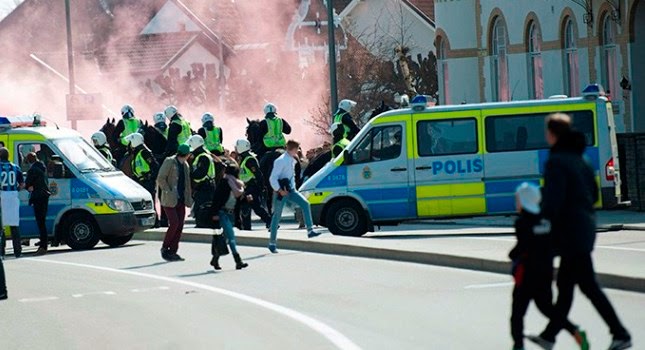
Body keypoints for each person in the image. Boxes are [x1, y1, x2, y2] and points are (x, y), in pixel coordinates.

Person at [527, 113, 632, 350]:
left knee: (588, 286)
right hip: (583, 229)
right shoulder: (581, 158)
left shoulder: (557, 161)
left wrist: (540, 222)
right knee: (566, 289)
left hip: (570, 234)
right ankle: (550, 336)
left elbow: (553, 201)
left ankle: (621, 333)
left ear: (552, 134)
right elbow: (593, 195)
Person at [510, 183, 588, 350]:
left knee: (517, 313)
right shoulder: (546, 221)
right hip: (545, 273)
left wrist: (512, 255)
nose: (516, 203)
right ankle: (575, 331)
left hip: (526, 275)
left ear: (523, 201)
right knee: (547, 308)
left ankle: (518, 345)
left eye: (517, 200)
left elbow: (522, 246)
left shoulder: (522, 222)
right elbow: (556, 244)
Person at [268, 140, 321, 253]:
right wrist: (279, 190)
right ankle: (272, 243)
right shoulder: (280, 161)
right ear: (292, 149)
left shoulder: (292, 159)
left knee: (305, 204)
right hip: (281, 192)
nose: (298, 151)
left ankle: (310, 230)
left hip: (291, 190)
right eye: (297, 149)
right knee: (277, 216)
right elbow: (272, 178)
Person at [209, 162, 250, 270]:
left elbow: (239, 201)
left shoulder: (237, 185)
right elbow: (216, 200)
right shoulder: (224, 183)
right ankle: (238, 261)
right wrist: (214, 214)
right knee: (231, 237)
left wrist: (246, 199)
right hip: (222, 213)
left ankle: (215, 259)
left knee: (225, 237)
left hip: (231, 214)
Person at [156, 144, 193, 261]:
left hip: (180, 199)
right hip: (169, 200)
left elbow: (187, 184)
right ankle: (165, 248)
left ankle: (173, 251)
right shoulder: (169, 161)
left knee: (180, 225)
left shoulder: (185, 165)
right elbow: (161, 178)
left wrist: (189, 198)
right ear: (187, 154)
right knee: (174, 223)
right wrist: (168, 190)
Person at [235, 139, 271, 230]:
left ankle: (270, 222)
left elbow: (258, 174)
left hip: (252, 187)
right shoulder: (244, 159)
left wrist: (262, 187)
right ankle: (247, 227)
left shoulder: (249, 160)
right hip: (246, 187)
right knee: (247, 207)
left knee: (255, 207)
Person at [125, 133, 160, 223]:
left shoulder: (144, 152)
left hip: (147, 181)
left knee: (149, 202)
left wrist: (149, 177)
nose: (129, 145)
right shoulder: (137, 153)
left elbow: (155, 166)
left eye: (130, 142)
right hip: (142, 181)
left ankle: (155, 222)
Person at [25, 152, 51, 256]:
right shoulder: (42, 167)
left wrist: (28, 187)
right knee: (42, 221)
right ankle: (44, 243)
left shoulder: (32, 170)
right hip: (44, 196)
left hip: (38, 197)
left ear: (29, 161)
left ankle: (43, 246)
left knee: (40, 222)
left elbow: (28, 184)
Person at [187, 135, 216, 227]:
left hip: (205, 186)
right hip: (203, 186)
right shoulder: (202, 155)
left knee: (203, 206)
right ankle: (201, 223)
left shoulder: (203, 157)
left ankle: (203, 224)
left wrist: (190, 175)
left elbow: (201, 173)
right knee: (199, 206)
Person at [0, 147, 24, 258]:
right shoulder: (15, 167)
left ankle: (2, 251)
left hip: (2, 196)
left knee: (1, 226)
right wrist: (17, 189)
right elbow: (22, 184)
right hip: (13, 196)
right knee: (14, 224)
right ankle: (18, 251)